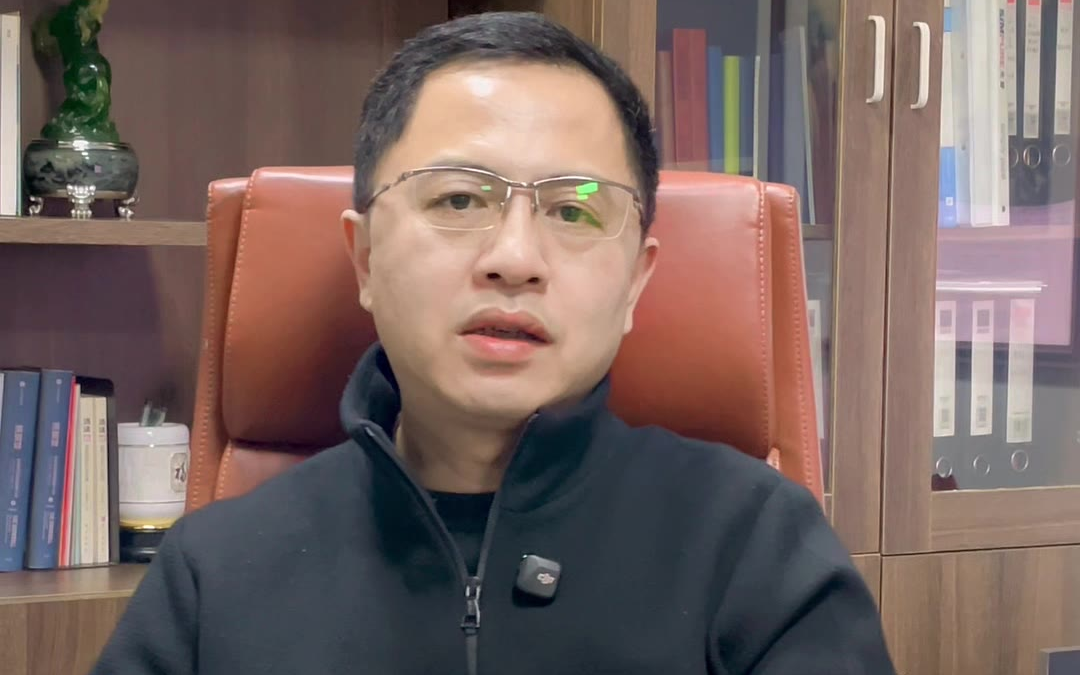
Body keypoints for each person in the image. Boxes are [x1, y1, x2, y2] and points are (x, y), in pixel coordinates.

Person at [91, 11, 897, 675]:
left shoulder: (757, 549)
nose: (514, 258)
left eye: (574, 210)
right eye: (459, 199)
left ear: (635, 283)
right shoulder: (214, 576)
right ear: (364, 258)